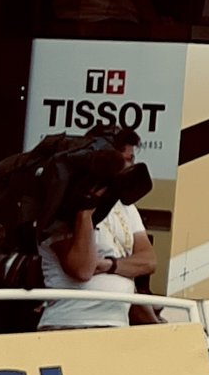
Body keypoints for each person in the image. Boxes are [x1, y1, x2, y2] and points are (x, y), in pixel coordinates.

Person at [39, 135, 154, 328]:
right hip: (71, 324)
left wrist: (107, 265)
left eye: (132, 159)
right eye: (123, 161)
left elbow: (149, 261)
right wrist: (85, 210)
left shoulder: (127, 207)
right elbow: (83, 269)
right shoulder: (58, 210)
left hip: (116, 325)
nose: (129, 167)